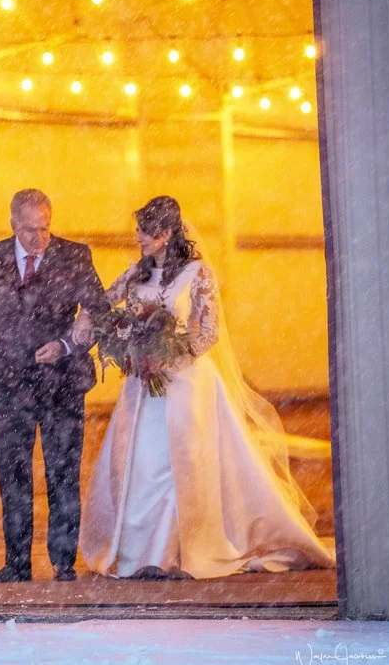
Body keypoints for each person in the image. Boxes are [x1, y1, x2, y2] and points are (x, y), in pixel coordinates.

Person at [74, 195, 335, 579]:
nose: (138, 238)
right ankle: (144, 553)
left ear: (166, 233)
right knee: (140, 464)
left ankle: (181, 551)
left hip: (186, 385)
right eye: (138, 231)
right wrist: (92, 323)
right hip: (143, 387)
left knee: (180, 463)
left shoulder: (197, 274)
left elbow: (208, 331)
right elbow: (104, 303)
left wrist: (169, 358)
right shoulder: (135, 274)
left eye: (145, 232)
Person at [0, 189, 108, 582]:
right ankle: (16, 564)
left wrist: (66, 344)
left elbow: (99, 310)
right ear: (13, 224)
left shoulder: (74, 255)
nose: (39, 237)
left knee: (63, 472)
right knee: (12, 475)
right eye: (30, 230)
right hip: (9, 384)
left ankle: (63, 563)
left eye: (45, 228)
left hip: (61, 383)